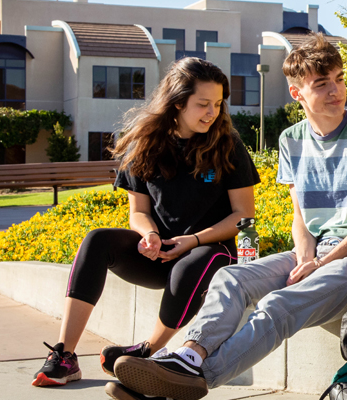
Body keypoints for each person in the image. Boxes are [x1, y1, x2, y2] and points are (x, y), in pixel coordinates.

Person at [108, 33, 347, 400]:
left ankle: (191, 380)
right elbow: (301, 218)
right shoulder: (291, 140)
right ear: (297, 94)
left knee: (279, 304)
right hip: (319, 255)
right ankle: (186, 357)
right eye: (322, 84)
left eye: (340, 79)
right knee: (231, 278)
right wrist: (307, 257)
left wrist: (324, 261)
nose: (337, 91)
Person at [31, 57, 260, 388]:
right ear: (178, 102)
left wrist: (193, 240)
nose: (212, 112)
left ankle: (148, 351)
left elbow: (244, 216)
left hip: (213, 253)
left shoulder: (227, 144)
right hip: (161, 253)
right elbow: (138, 211)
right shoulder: (145, 142)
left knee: (194, 262)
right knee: (97, 240)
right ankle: (64, 355)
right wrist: (150, 235)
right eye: (203, 104)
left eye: (217, 103)